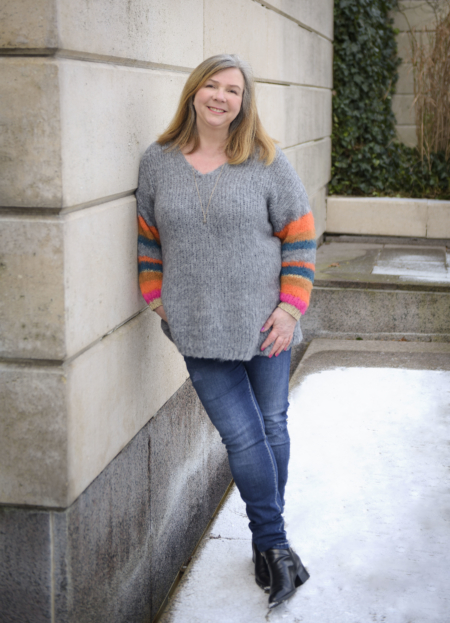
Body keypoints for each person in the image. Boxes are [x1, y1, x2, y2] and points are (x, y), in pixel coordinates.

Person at [136, 53, 316, 608]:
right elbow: (147, 239)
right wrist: (158, 301)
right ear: (194, 92)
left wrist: (290, 309)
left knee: (272, 425)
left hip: (266, 326)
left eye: (232, 90)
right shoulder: (158, 162)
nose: (220, 96)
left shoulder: (266, 161)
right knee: (243, 436)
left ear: (243, 103)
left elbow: (300, 235)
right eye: (211, 86)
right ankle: (276, 545)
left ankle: (268, 543)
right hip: (197, 329)